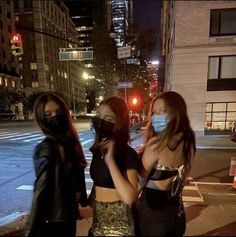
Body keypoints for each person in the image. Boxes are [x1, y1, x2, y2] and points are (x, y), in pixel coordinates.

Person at [25, 92, 87, 237]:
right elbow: (41, 191)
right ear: (41, 119)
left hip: (66, 220)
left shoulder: (68, 144)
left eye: (58, 112)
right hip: (52, 224)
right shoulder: (47, 147)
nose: (55, 116)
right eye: (48, 114)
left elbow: (76, 183)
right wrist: (30, 229)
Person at [136, 91, 196, 236]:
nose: (156, 117)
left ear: (176, 113)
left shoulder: (156, 146)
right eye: (154, 112)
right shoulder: (189, 142)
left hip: (153, 217)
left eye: (162, 111)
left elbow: (137, 186)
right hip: (177, 215)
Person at [89, 96, 139, 236]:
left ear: (120, 124)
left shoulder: (128, 154)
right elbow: (98, 183)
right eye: (99, 115)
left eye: (109, 119)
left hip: (119, 223)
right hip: (98, 219)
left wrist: (110, 161)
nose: (100, 122)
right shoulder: (97, 150)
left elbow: (130, 197)